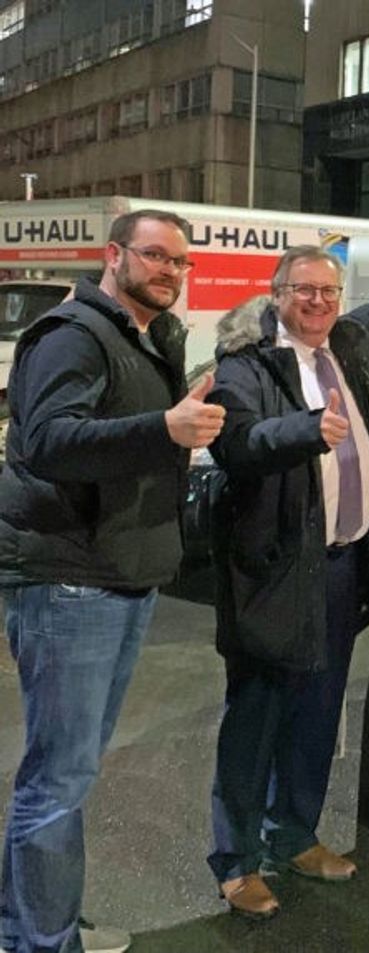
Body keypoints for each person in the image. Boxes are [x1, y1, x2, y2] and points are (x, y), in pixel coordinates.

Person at [203, 200, 369, 920]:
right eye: (303, 290)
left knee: (317, 711)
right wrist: (306, 430)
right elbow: (238, 442)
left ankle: (294, 834)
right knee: (257, 715)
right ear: (277, 295)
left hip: (344, 566)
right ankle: (237, 861)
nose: (317, 302)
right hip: (278, 569)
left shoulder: (351, 341)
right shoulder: (247, 363)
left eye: (327, 290)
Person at [0, 210, 224, 953]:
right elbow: (46, 440)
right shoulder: (73, 334)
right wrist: (164, 429)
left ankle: (32, 919)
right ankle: (42, 939)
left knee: (68, 772)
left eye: (180, 262)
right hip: (72, 579)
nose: (169, 271)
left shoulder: (142, 336)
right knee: (59, 779)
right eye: (155, 256)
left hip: (117, 574)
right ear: (114, 254)